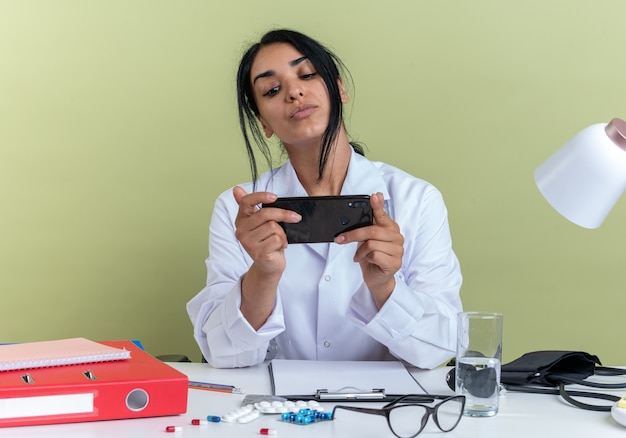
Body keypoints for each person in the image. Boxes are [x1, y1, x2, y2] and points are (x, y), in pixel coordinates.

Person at [187, 29, 463, 369]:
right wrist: (263, 272)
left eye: (306, 75)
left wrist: (384, 286)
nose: (294, 92)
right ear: (263, 123)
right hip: (277, 413)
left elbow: (438, 349)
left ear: (340, 89)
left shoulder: (417, 200)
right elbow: (224, 354)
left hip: (388, 414)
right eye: (272, 89)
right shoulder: (239, 210)